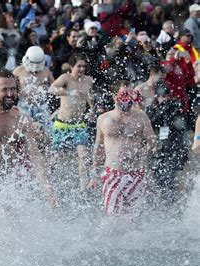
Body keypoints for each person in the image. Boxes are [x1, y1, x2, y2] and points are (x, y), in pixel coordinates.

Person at [0, 69, 56, 206]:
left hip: (10, 188)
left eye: (13, 89)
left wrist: (47, 186)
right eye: (5, 89)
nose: (10, 94)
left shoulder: (22, 119)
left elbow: (34, 155)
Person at [90, 86, 157, 215]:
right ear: (114, 96)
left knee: (135, 219)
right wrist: (93, 175)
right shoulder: (103, 119)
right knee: (113, 218)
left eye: (130, 96)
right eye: (123, 95)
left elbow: (153, 143)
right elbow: (98, 148)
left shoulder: (141, 116)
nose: (127, 100)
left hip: (137, 174)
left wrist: (147, 152)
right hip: (112, 175)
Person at [48, 54, 94, 192]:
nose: (81, 69)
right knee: (57, 158)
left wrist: (92, 110)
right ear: (72, 67)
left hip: (79, 124)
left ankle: (83, 189)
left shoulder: (89, 80)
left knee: (83, 156)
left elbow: (88, 97)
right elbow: (51, 89)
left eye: (84, 66)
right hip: (62, 124)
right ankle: (48, 184)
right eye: (79, 66)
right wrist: (69, 92)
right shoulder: (65, 78)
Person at [13, 46, 54, 129]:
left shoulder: (46, 71)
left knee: (46, 131)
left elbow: (54, 86)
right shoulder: (19, 71)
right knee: (23, 130)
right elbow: (9, 85)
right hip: (24, 105)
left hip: (42, 106)